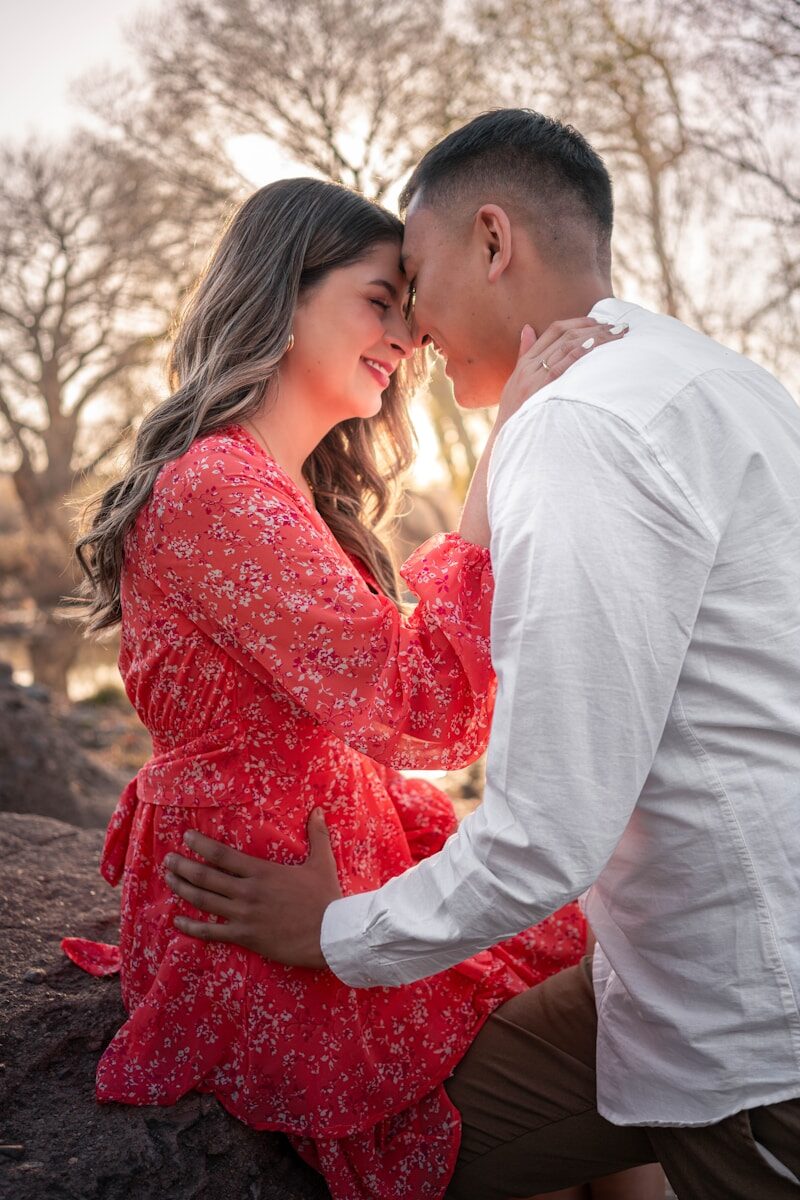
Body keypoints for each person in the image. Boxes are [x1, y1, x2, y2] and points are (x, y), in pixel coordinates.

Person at [164, 110, 800, 1200]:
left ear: (492, 243)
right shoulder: (732, 384)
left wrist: (333, 932)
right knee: (448, 1129)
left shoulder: (576, 426)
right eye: (385, 293)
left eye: (411, 280)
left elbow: (537, 828)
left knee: (432, 1134)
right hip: (674, 975)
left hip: (742, 1023)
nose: (412, 325)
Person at [68, 176, 643, 1200]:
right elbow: (423, 709)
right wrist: (496, 462)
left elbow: (397, 704)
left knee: (597, 995)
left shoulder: (280, 488)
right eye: (379, 300)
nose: (408, 337)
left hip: (334, 870)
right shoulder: (215, 486)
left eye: (409, 315)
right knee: (572, 1096)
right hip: (252, 910)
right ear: (284, 293)